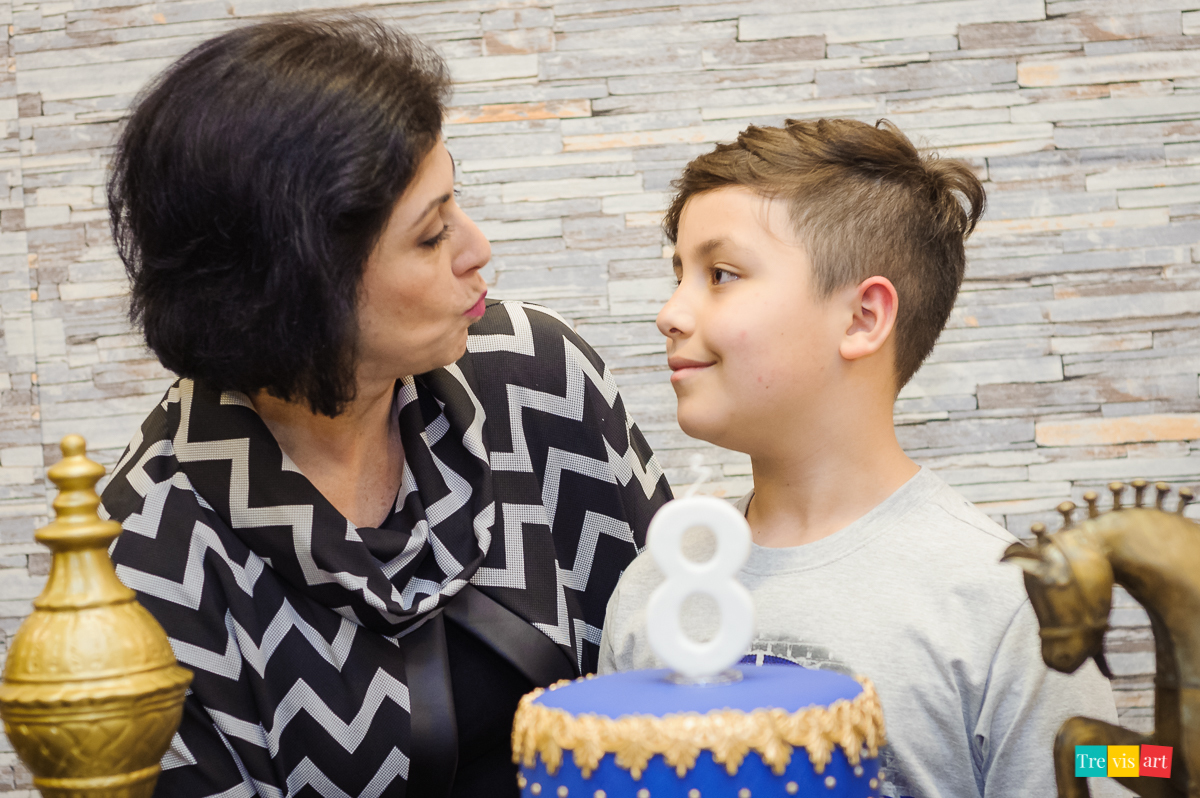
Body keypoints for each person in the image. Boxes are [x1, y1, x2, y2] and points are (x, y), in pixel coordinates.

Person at [100, 15, 671, 798]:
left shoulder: (535, 378)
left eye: (453, 207)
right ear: (301, 286)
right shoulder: (156, 548)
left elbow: (681, 667)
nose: (477, 249)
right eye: (432, 236)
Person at [598, 119, 1122, 798]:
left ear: (863, 318)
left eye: (720, 275)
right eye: (679, 275)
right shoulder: (654, 589)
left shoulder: (1010, 607)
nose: (670, 313)